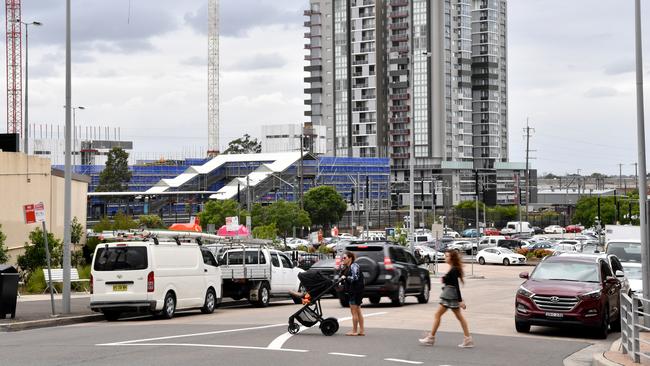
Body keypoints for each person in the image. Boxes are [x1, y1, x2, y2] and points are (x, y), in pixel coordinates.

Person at [419, 250, 474, 348]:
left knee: (439, 315)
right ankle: (467, 339)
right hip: (449, 294)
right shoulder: (452, 269)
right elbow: (451, 282)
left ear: (452, 258)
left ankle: (431, 338)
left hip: (450, 295)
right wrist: (445, 279)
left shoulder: (453, 270)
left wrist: (460, 300)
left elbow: (456, 285)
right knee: (458, 317)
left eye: (447, 256)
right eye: (445, 256)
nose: (445, 258)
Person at [341, 251, 365, 336]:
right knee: (358, 311)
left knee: (354, 311)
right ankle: (361, 330)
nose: (343, 259)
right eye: (342, 258)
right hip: (357, 290)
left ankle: (354, 331)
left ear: (350, 258)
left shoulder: (354, 266)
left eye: (344, 258)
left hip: (355, 291)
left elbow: (355, 278)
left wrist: (345, 277)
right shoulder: (349, 267)